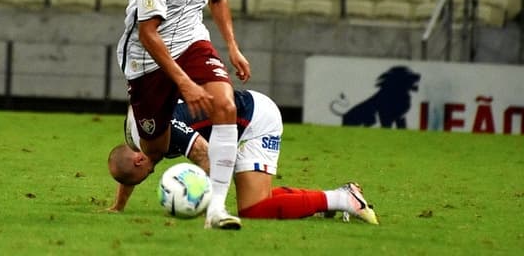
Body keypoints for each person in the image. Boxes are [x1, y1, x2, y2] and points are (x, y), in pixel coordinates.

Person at [116, 0, 250, 230]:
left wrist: (232, 46)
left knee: (225, 104)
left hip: (192, 42)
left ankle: (216, 208)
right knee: (154, 148)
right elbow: (148, 34)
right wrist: (185, 83)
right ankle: (120, 196)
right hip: (147, 60)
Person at [108, 90, 379, 225]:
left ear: (140, 159)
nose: (153, 169)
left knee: (253, 209)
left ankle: (345, 200)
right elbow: (129, 169)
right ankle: (329, 200)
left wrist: (210, 207)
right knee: (258, 200)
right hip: (236, 117)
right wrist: (118, 206)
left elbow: (207, 157)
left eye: (149, 172)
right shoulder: (138, 131)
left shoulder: (169, 131)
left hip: (255, 121)